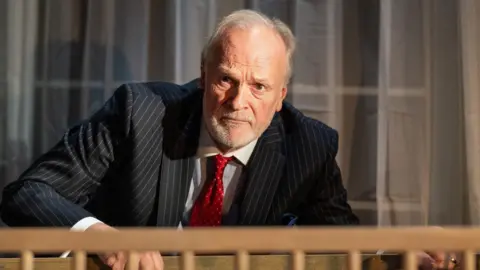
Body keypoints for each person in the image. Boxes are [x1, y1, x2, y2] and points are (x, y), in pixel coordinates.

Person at [0, 9, 458, 270]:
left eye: (259, 86)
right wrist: (101, 238)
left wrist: (396, 251)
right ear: (203, 76)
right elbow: (27, 193)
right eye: (226, 79)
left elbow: (336, 235)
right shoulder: (137, 113)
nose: (239, 100)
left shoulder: (309, 144)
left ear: (281, 97)